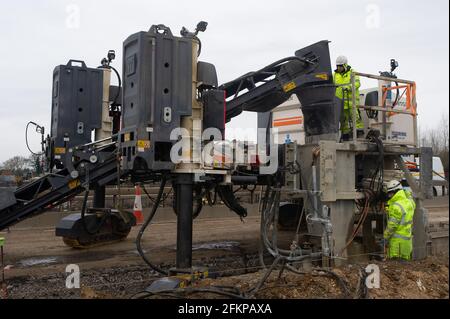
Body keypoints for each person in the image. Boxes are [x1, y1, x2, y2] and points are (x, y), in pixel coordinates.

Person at [382, 180, 416, 260]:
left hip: (397, 244)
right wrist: (389, 208)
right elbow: (403, 214)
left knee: (395, 265)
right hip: (407, 242)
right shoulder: (410, 202)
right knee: (405, 267)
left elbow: (392, 226)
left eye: (390, 193)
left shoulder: (396, 206)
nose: (389, 196)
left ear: (395, 191)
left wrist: (385, 237)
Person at [333, 56, 365, 140]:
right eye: (338, 66)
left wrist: (348, 87)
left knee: (356, 117)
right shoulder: (334, 75)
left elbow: (357, 84)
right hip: (341, 102)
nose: (339, 68)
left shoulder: (352, 73)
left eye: (340, 66)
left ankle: (359, 132)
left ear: (345, 65)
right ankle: (345, 135)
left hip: (352, 102)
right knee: (343, 120)